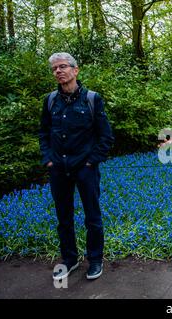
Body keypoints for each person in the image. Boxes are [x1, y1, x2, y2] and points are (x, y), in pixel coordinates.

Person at [39, 52, 114, 281]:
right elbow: (43, 133)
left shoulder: (92, 99)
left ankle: (95, 260)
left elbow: (106, 136)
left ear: (75, 70)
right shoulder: (50, 100)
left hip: (85, 168)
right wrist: (49, 159)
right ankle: (69, 260)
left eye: (62, 67)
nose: (58, 71)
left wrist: (92, 161)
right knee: (64, 218)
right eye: (54, 69)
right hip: (59, 168)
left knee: (92, 217)